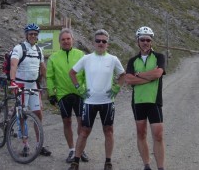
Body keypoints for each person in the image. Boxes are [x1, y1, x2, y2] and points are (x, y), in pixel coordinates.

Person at [68, 29, 126, 170]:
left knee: (108, 131)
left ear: (107, 44)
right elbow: (72, 73)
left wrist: (116, 88)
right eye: (98, 41)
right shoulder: (87, 58)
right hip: (89, 102)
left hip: (107, 102)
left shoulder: (113, 59)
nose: (101, 43)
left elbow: (123, 74)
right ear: (94, 43)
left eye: (104, 41)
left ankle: (108, 162)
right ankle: (76, 161)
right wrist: (79, 88)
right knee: (84, 132)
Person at [125, 26, 166, 170]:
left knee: (158, 135)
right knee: (141, 133)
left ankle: (160, 167)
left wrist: (138, 75)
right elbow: (128, 80)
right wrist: (148, 77)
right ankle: (146, 165)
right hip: (138, 101)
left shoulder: (159, 57)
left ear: (151, 41)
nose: (145, 42)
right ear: (137, 41)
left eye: (148, 39)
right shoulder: (132, 61)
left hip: (154, 100)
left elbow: (157, 74)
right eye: (142, 39)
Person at [46, 28, 89, 163]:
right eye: (63, 39)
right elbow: (49, 77)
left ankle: (80, 149)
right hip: (63, 94)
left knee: (82, 122)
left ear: (73, 40)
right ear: (59, 42)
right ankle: (71, 150)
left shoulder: (81, 54)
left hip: (79, 94)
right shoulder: (53, 57)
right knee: (67, 122)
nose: (66, 41)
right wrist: (51, 93)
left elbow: (87, 73)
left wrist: (87, 90)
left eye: (68, 39)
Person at [9, 23, 52, 157]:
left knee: (38, 114)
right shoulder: (19, 48)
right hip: (21, 84)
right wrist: (12, 81)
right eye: (31, 34)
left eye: (35, 34)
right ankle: (25, 144)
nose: (33, 36)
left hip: (33, 84)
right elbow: (13, 64)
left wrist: (50, 84)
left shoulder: (39, 50)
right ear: (26, 35)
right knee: (22, 114)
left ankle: (40, 144)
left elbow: (43, 69)